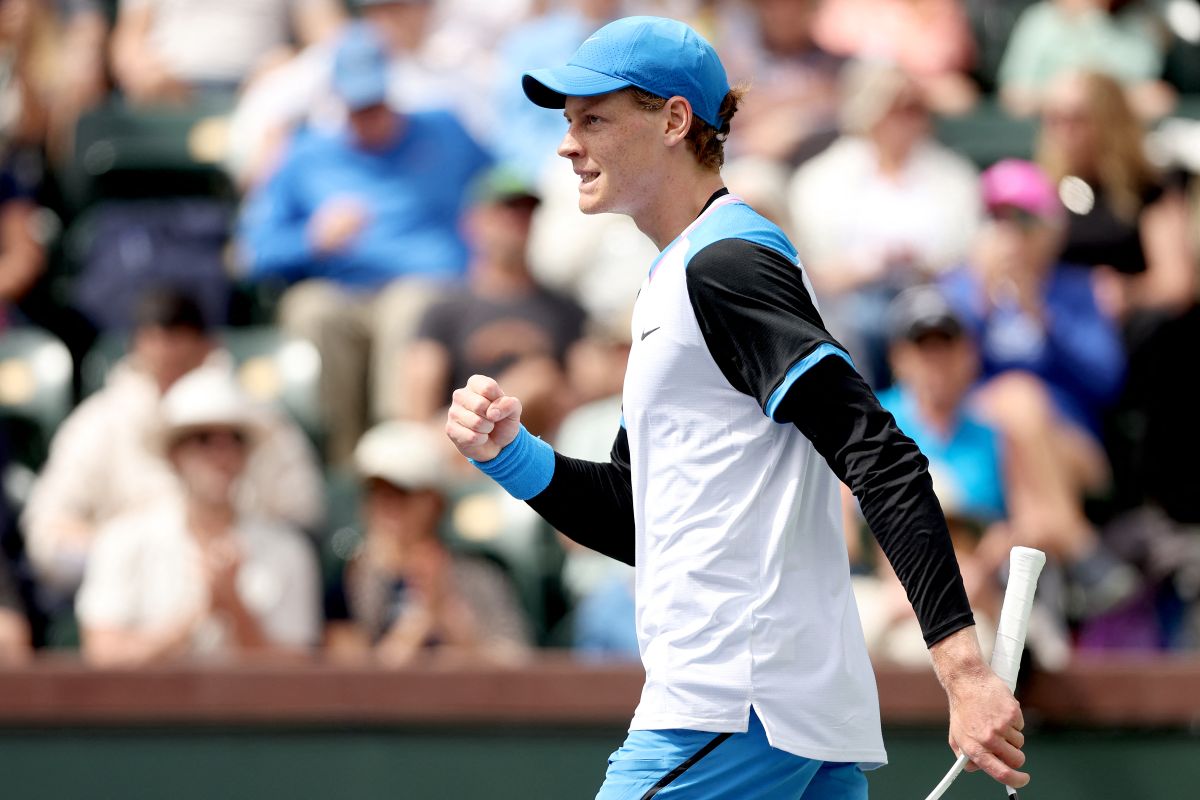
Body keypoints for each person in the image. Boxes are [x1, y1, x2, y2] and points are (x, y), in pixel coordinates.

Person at [446, 16, 1028, 798]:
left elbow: (878, 453)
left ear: (674, 121)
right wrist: (512, 455)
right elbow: (636, 518)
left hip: (734, 701)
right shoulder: (682, 274)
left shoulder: (726, 266)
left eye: (593, 119)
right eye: (567, 123)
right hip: (780, 710)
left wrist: (963, 671)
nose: (566, 144)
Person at [237, 21, 491, 462]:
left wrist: (482, 249)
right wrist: (310, 239)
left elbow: (502, 188)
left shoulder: (444, 130)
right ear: (337, 100)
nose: (368, 115)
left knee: (410, 305)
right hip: (344, 291)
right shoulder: (307, 154)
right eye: (357, 105)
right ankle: (340, 459)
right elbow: (251, 252)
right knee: (311, 308)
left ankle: (397, 454)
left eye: (375, 102)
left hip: (433, 287)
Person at [21, 287, 324, 595]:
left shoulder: (257, 421)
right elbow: (47, 535)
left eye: (181, 365)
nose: (220, 450)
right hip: (129, 603)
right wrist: (137, 563)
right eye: (159, 362)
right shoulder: (97, 422)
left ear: (207, 349)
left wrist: (230, 558)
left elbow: (299, 522)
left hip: (244, 593)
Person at [76, 369, 322, 666]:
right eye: (203, 440)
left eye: (234, 440)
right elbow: (103, 657)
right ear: (174, 454)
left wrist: (234, 606)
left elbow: (297, 672)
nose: (222, 455)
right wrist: (193, 619)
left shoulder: (287, 550)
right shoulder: (122, 540)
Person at [787, 60, 981, 386]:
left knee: (933, 322)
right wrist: (863, 266)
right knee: (852, 324)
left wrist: (924, 264)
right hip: (851, 299)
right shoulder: (822, 177)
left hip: (931, 291)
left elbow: (968, 257)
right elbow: (811, 265)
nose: (908, 120)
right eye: (896, 108)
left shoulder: (954, 176)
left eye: (916, 108)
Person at [324, 420, 532, 665]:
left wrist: (451, 617)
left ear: (434, 503)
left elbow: (517, 666)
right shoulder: (349, 579)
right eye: (375, 494)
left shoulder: (480, 575)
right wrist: (420, 620)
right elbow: (351, 680)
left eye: (401, 494)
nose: (385, 507)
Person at [402, 168, 586, 432]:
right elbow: (417, 405)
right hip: (453, 442)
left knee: (542, 379)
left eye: (526, 211)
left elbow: (581, 394)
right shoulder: (445, 309)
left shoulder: (566, 309)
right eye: (505, 210)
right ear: (472, 222)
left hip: (540, 445)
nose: (517, 220)